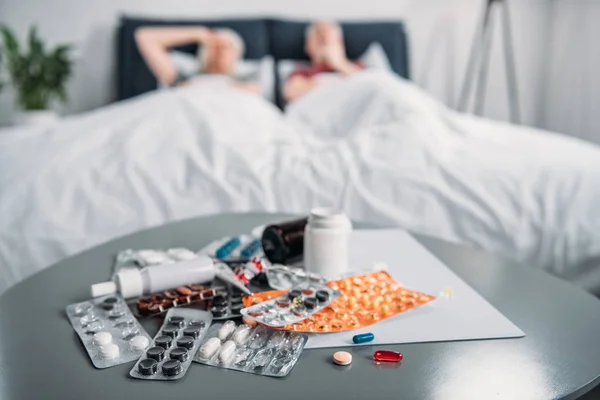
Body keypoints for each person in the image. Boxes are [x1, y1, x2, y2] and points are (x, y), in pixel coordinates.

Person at [135, 26, 259, 93]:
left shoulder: (247, 81)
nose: (217, 50)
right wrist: (198, 33)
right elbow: (144, 36)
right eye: (212, 46)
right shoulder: (182, 77)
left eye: (224, 47)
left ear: (237, 54)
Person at [283, 21, 365, 103]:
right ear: (308, 47)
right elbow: (291, 93)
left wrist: (339, 64)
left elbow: (368, 86)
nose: (323, 37)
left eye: (328, 35)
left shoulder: (358, 67)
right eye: (318, 35)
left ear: (340, 44)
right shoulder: (302, 72)